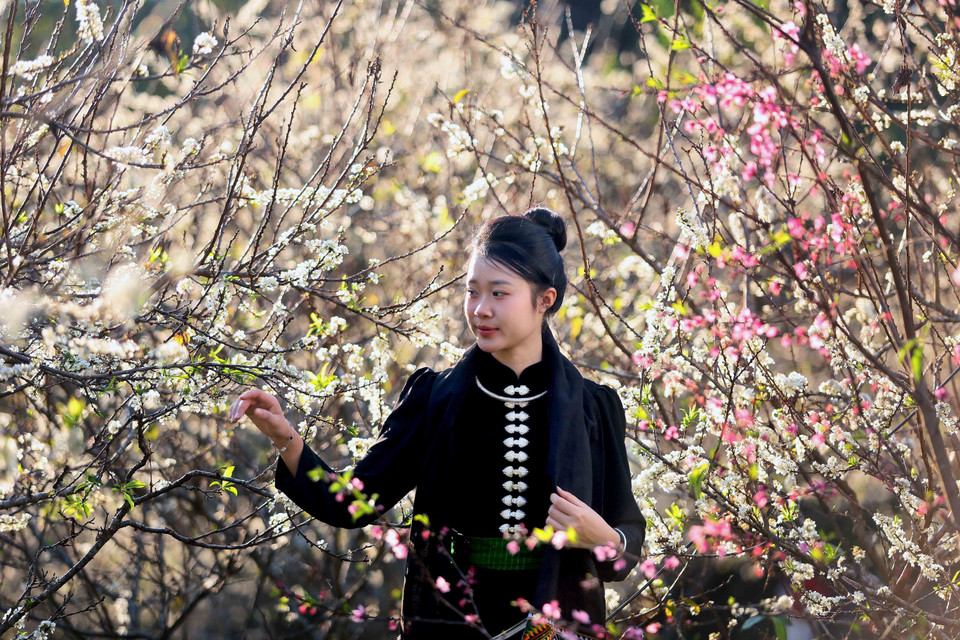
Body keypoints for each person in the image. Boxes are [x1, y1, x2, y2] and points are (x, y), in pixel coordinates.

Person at [229, 208, 645, 639]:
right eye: (472, 292)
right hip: (453, 619)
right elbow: (354, 502)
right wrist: (286, 438)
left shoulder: (593, 408)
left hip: (559, 622)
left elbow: (627, 539)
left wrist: (606, 539)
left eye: (499, 294)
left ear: (546, 299)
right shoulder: (437, 398)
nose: (480, 310)